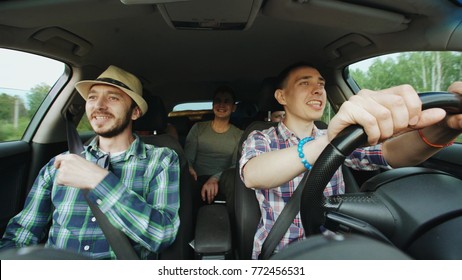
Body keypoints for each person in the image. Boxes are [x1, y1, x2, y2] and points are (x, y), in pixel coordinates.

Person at [239, 62, 462, 259]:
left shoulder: (339, 136)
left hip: (335, 249)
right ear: (281, 97)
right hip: (282, 255)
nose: (318, 90)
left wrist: (444, 128)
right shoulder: (261, 137)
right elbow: (253, 175)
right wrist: (327, 141)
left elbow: (390, 154)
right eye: (304, 83)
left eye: (321, 83)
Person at [0, 65, 180, 259]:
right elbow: (23, 233)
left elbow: (161, 236)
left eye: (113, 97)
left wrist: (99, 181)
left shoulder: (161, 160)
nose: (99, 105)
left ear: (135, 112)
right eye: (92, 97)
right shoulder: (60, 165)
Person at [185, 86, 243, 214]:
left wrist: (215, 178)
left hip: (224, 179)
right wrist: (189, 168)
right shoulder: (198, 128)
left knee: (234, 177)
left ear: (233, 108)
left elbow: (236, 164)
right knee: (184, 178)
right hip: (197, 178)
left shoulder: (239, 135)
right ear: (213, 105)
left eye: (227, 101)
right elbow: (188, 158)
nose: (221, 105)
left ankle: (237, 226)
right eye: (218, 101)